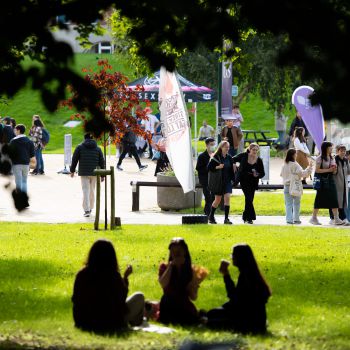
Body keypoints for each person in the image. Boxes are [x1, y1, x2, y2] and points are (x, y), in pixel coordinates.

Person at [72, 239, 145, 333]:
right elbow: (121, 298)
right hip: (110, 322)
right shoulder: (113, 276)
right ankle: (133, 323)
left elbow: (75, 300)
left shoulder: (82, 274)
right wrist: (125, 278)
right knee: (139, 297)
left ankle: (133, 322)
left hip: (84, 322)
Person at [206, 243, 271, 334]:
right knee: (212, 313)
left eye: (233, 255)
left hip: (249, 322)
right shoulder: (250, 273)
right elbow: (237, 300)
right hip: (251, 318)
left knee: (211, 321)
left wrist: (226, 275)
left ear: (240, 257)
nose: (231, 257)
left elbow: (235, 299)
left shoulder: (247, 277)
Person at [158, 237, 208, 325]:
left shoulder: (190, 270)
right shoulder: (164, 267)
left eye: (178, 251)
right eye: (173, 251)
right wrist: (171, 266)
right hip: (168, 303)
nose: (175, 254)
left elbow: (193, 297)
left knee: (190, 319)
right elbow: (163, 284)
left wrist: (194, 283)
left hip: (183, 304)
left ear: (184, 252)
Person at [70, 133, 105, 217]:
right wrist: (103, 175)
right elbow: (102, 162)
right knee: (92, 191)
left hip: (84, 172)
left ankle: (86, 210)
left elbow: (74, 159)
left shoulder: (79, 147)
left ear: (84, 138)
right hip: (95, 173)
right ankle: (91, 207)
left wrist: (72, 171)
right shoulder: (98, 148)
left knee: (85, 191)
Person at [310, 141, 343, 225]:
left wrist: (334, 170)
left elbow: (334, 170)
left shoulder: (332, 157)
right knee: (319, 199)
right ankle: (313, 218)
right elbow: (317, 170)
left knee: (334, 198)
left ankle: (336, 218)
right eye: (330, 147)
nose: (332, 148)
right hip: (322, 182)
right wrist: (328, 170)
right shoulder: (320, 158)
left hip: (331, 180)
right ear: (326, 148)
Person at [232, 143, 265, 224]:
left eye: (256, 150)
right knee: (249, 198)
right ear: (249, 149)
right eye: (253, 149)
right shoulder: (243, 155)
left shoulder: (259, 160)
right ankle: (250, 218)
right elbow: (232, 159)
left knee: (249, 199)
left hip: (253, 181)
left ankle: (245, 216)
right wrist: (234, 165)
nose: (255, 151)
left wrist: (257, 174)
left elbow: (263, 173)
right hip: (244, 180)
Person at [280, 149, 313, 224]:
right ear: (293, 155)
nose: (296, 155)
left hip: (286, 186)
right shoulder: (295, 164)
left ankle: (289, 219)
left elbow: (281, 174)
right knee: (297, 203)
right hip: (295, 186)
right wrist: (309, 167)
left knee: (288, 204)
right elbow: (304, 174)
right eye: (296, 154)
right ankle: (296, 218)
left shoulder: (284, 164)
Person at [208, 140, 236, 224]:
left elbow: (231, 169)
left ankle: (226, 219)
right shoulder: (216, 157)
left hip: (227, 181)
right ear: (221, 147)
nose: (227, 148)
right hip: (219, 181)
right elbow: (209, 168)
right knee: (217, 200)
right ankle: (211, 216)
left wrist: (234, 173)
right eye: (225, 147)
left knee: (227, 198)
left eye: (228, 147)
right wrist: (218, 167)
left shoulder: (229, 157)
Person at [9, 124, 35, 196]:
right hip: (26, 164)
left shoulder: (13, 141)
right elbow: (32, 155)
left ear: (18, 130)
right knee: (24, 182)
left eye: (15, 129)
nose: (14, 131)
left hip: (16, 164)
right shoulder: (29, 141)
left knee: (18, 182)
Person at [329, 145, 350, 225]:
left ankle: (342, 218)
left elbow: (348, 171)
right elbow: (332, 172)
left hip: (343, 185)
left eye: (344, 151)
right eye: (341, 151)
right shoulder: (334, 160)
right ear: (337, 151)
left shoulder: (345, 160)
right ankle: (332, 218)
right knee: (335, 202)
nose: (343, 152)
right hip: (335, 184)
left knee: (342, 202)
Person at [196, 137, 216, 216]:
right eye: (211, 145)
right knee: (208, 197)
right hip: (205, 179)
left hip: (214, 179)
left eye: (214, 144)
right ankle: (207, 213)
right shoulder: (202, 156)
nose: (213, 146)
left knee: (213, 197)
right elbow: (199, 168)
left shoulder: (216, 155)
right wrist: (209, 168)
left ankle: (210, 214)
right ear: (207, 145)